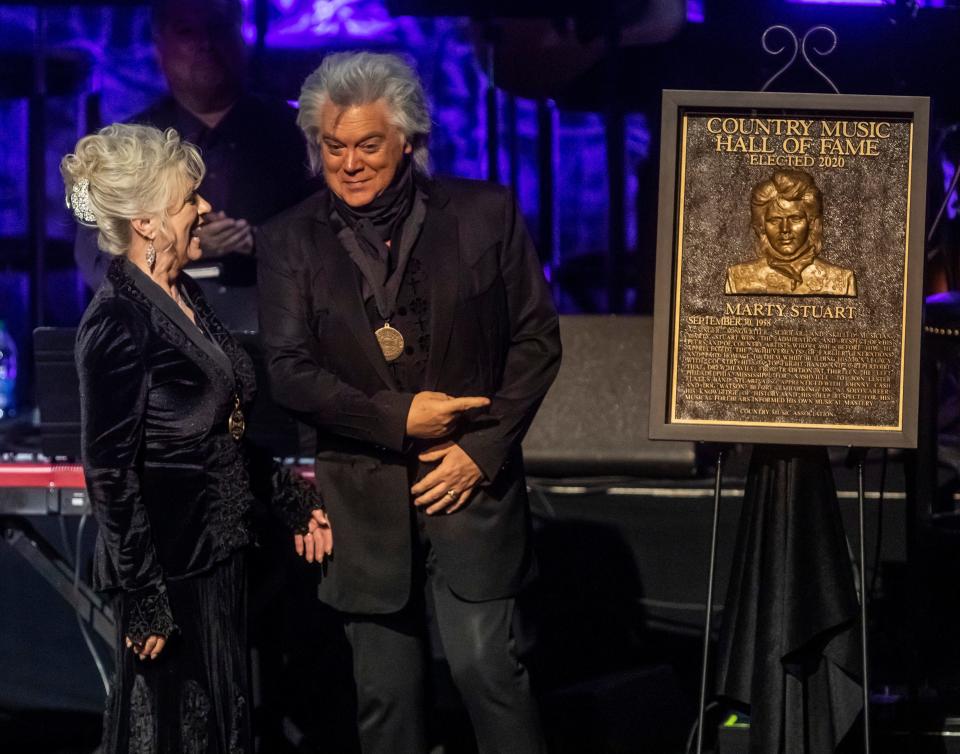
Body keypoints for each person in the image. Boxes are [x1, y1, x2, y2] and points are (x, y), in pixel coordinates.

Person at [257, 51, 562, 754]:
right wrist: (400, 419)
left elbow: (537, 343)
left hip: (471, 494)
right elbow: (289, 373)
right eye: (334, 147)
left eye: (368, 145)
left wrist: (477, 452)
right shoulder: (287, 241)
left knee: (489, 671)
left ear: (408, 142)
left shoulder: (486, 213)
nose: (350, 163)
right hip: (362, 505)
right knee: (386, 702)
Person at [64, 123, 331, 754]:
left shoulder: (183, 293)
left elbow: (221, 433)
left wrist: (290, 497)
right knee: (168, 733)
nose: (206, 208)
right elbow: (110, 473)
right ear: (150, 223)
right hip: (170, 569)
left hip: (218, 556)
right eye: (190, 200)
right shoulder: (117, 322)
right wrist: (145, 596)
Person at [74, 0, 314, 331]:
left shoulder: (300, 135)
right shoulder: (121, 150)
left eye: (218, 28)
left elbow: (336, 244)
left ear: (240, 38)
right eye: (187, 31)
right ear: (160, 48)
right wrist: (177, 246)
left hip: (282, 335)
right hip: (160, 341)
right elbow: (96, 259)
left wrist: (259, 242)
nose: (205, 43)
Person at [725, 169, 857, 296]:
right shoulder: (738, 280)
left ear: (811, 222)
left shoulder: (841, 281)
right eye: (775, 220)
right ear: (761, 226)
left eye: (795, 219)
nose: (785, 229)